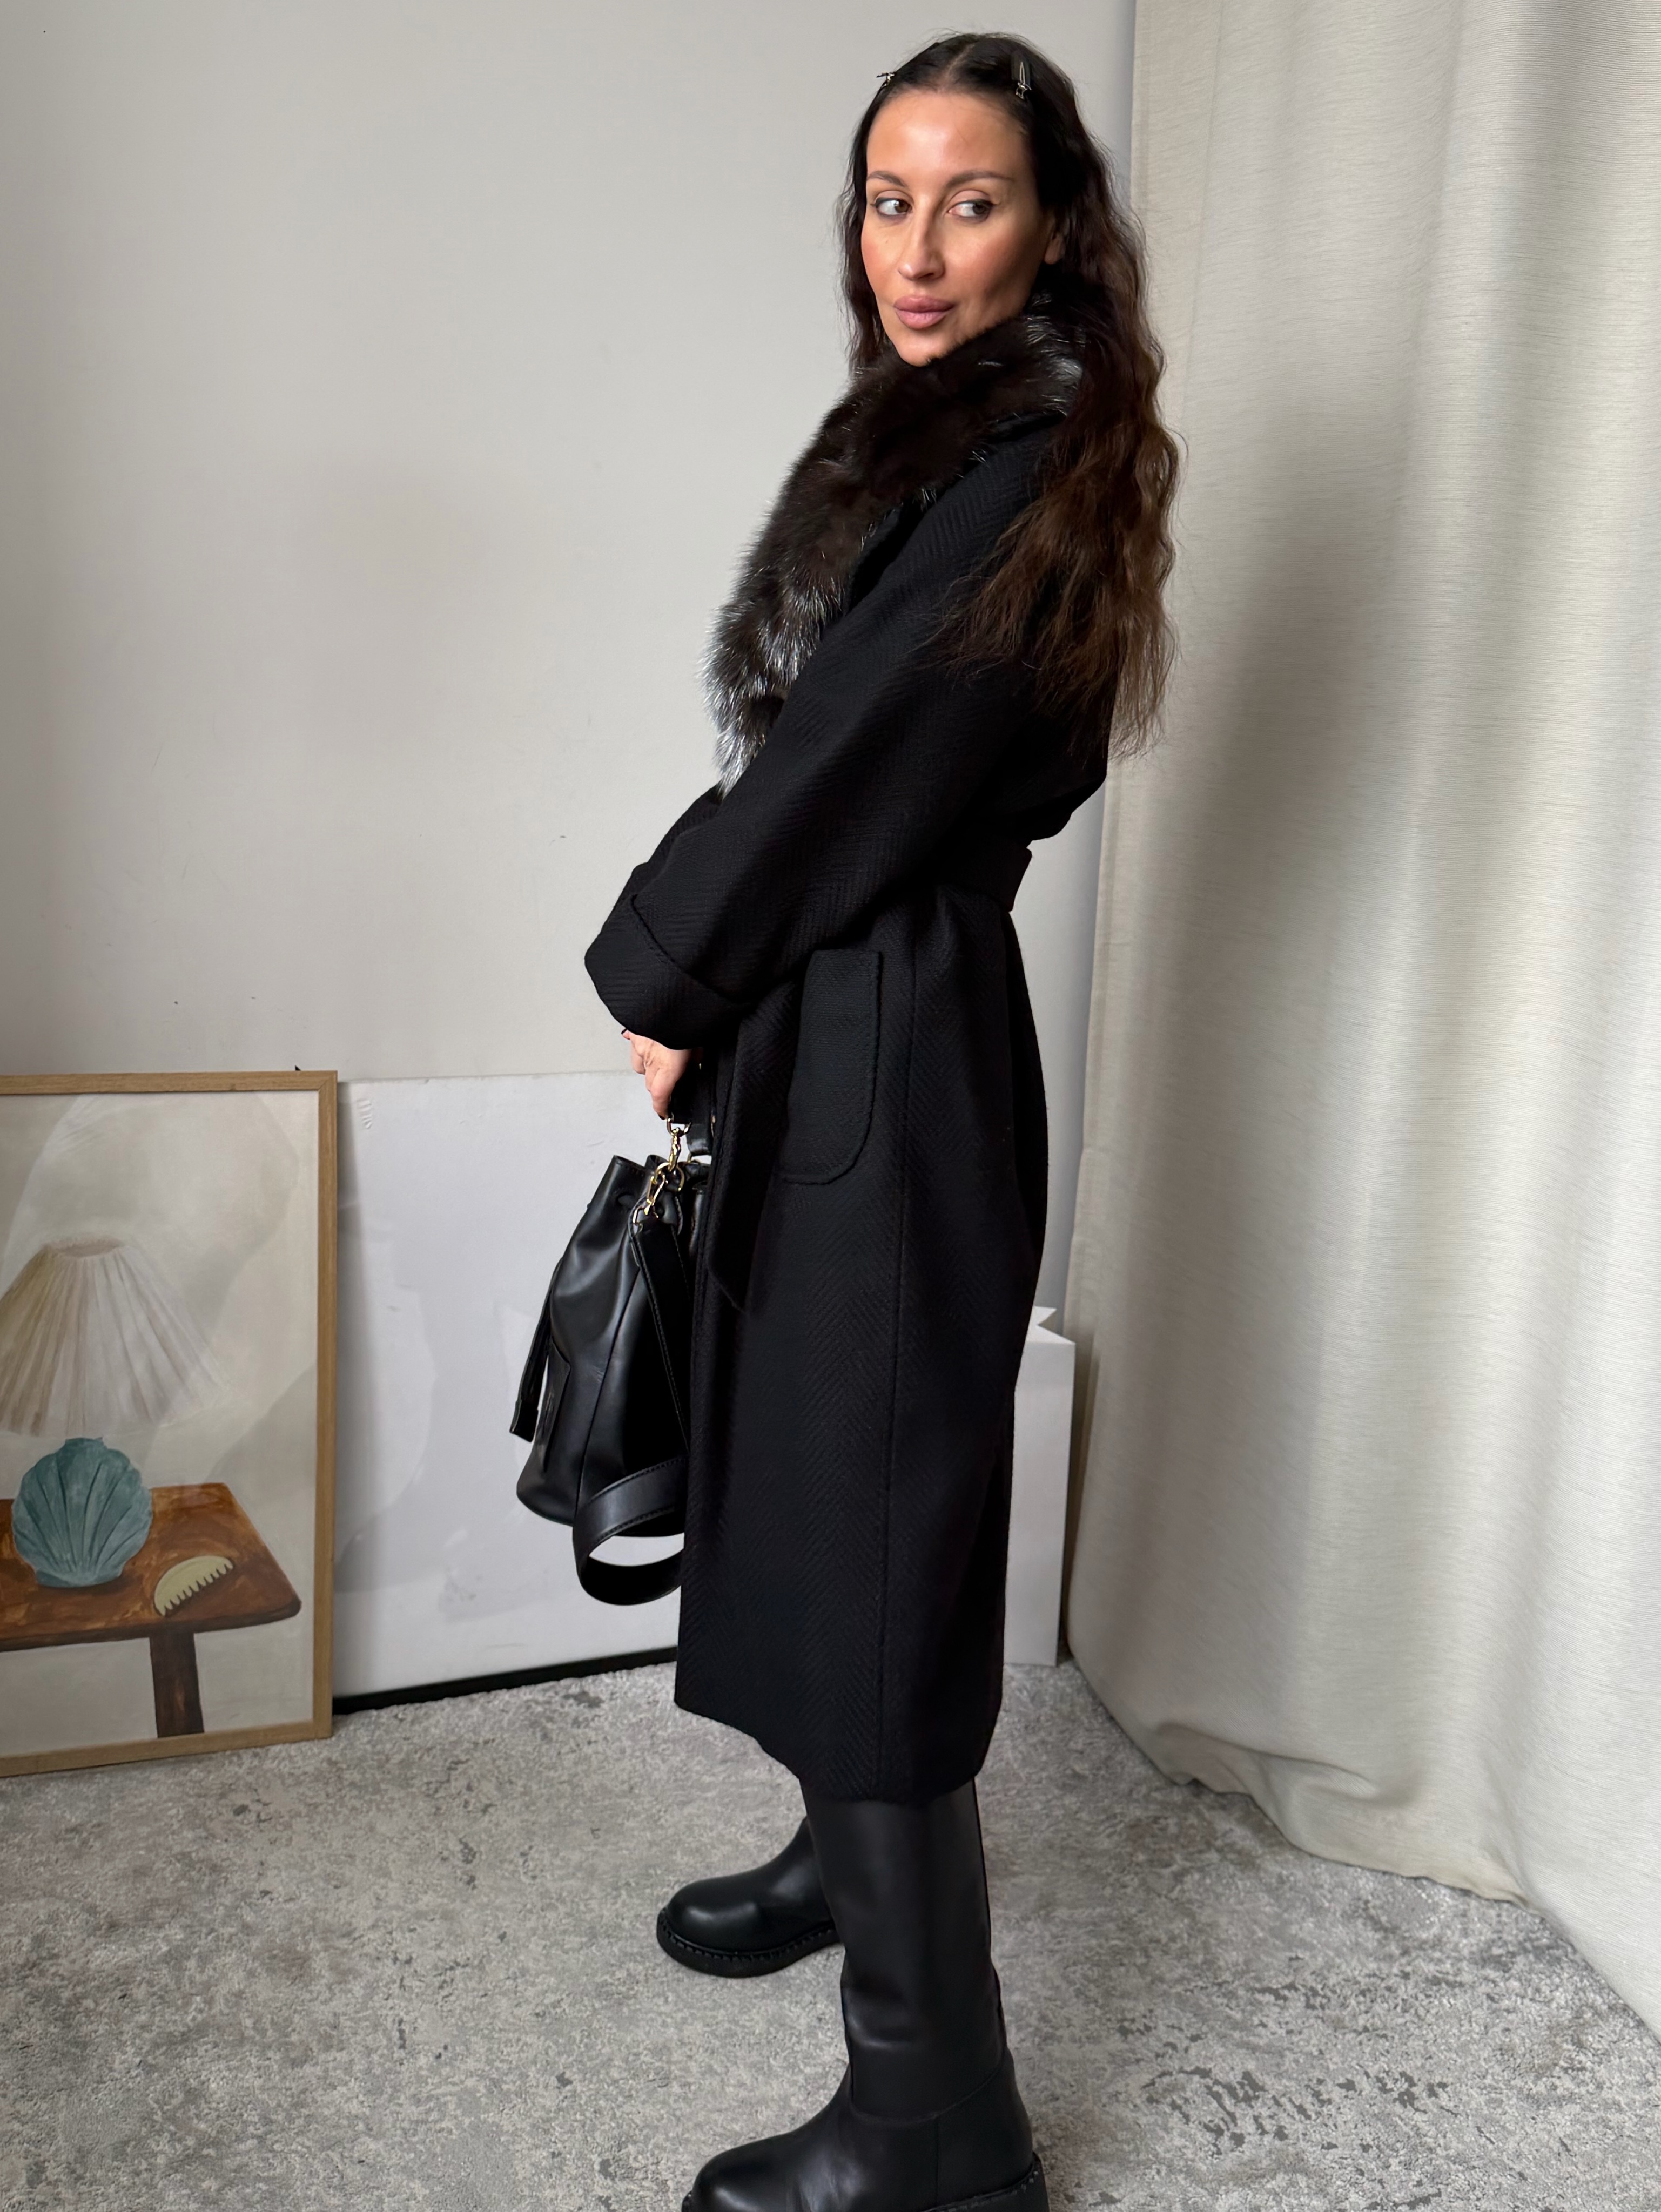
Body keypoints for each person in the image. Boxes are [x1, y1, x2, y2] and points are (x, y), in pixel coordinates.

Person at [584, 31, 1177, 2212]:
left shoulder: (1029, 459)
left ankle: (940, 2118)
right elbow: (826, 747)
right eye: (886, 199)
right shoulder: (944, 435)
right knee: (809, 1479)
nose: (916, 250)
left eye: (971, 202)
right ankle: (844, 1866)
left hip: (891, 1030)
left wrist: (666, 976)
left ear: (1054, 228)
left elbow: (841, 760)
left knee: (875, 1530)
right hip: (836, 1002)